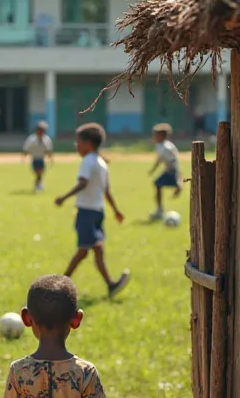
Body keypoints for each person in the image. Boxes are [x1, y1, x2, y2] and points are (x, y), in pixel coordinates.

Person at [55, 123, 130, 298]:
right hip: (97, 212)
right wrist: (115, 210)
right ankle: (110, 284)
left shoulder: (88, 161)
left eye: (78, 142)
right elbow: (107, 191)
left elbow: (83, 183)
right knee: (94, 250)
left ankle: (59, 286)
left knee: (84, 251)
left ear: (88, 144)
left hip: (87, 212)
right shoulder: (101, 162)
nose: (76, 146)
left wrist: (64, 197)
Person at [148, 122, 182, 220]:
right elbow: (159, 160)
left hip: (172, 170)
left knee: (159, 184)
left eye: (155, 135)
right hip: (168, 170)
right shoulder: (159, 145)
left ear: (161, 136)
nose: (153, 137)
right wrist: (152, 170)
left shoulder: (167, 146)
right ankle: (160, 210)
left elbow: (174, 159)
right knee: (157, 184)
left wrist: (177, 173)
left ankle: (179, 185)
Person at [22, 121, 54, 192]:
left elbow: (48, 150)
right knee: (38, 173)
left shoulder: (46, 139)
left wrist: (51, 158)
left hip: (41, 159)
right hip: (35, 159)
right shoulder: (32, 139)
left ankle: (38, 185)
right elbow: (26, 148)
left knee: (40, 173)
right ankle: (38, 185)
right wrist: (24, 156)